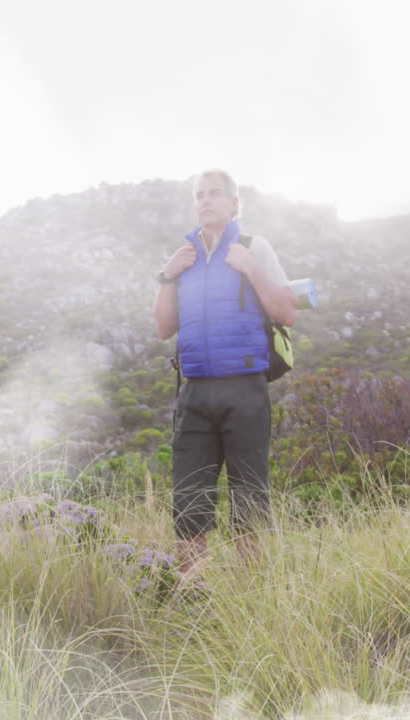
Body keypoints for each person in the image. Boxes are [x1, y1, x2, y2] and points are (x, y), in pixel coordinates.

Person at [152, 169, 297, 582]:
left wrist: (251, 269)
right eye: (199, 194)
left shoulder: (254, 247)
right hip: (195, 392)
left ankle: (248, 594)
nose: (206, 201)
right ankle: (193, 593)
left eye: (215, 193)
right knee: (189, 498)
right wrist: (167, 277)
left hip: (245, 388)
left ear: (234, 204)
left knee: (249, 496)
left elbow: (287, 311)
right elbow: (163, 328)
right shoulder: (184, 257)